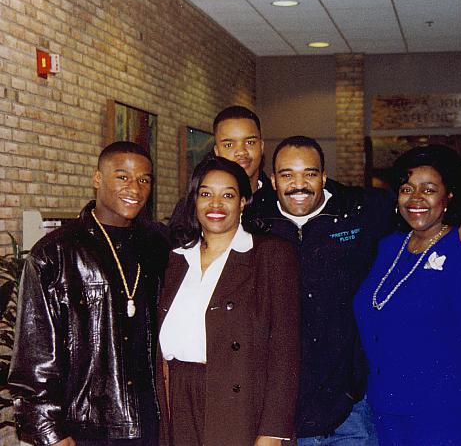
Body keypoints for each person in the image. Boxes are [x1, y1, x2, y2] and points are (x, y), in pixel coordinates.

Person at [244, 135, 461, 446]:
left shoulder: (360, 211)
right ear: (272, 180)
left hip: (361, 410)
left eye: (309, 173)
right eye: (287, 174)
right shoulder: (253, 223)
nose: (299, 184)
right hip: (296, 412)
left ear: (324, 176)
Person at [9, 141, 169, 446]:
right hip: (84, 428)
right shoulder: (55, 253)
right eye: (122, 176)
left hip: (153, 424)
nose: (134, 188)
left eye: (144, 180)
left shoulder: (158, 246)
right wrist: (50, 432)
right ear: (97, 179)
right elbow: (34, 355)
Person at [157, 156, 300, 446]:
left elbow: (286, 351)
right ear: (194, 200)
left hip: (240, 403)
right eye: (206, 194)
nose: (215, 204)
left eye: (228, 195)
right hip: (179, 400)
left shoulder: (270, 255)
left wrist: (273, 431)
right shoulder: (175, 259)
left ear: (244, 201)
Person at [353, 145, 461, 445]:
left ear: (448, 195)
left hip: (443, 413)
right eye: (407, 188)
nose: (415, 199)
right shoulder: (388, 246)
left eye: (428, 189)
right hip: (384, 408)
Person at [168, 105, 274, 237]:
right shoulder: (191, 207)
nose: (241, 152)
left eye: (250, 142)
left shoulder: (278, 202)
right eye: (229, 145)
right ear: (217, 151)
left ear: (262, 146)